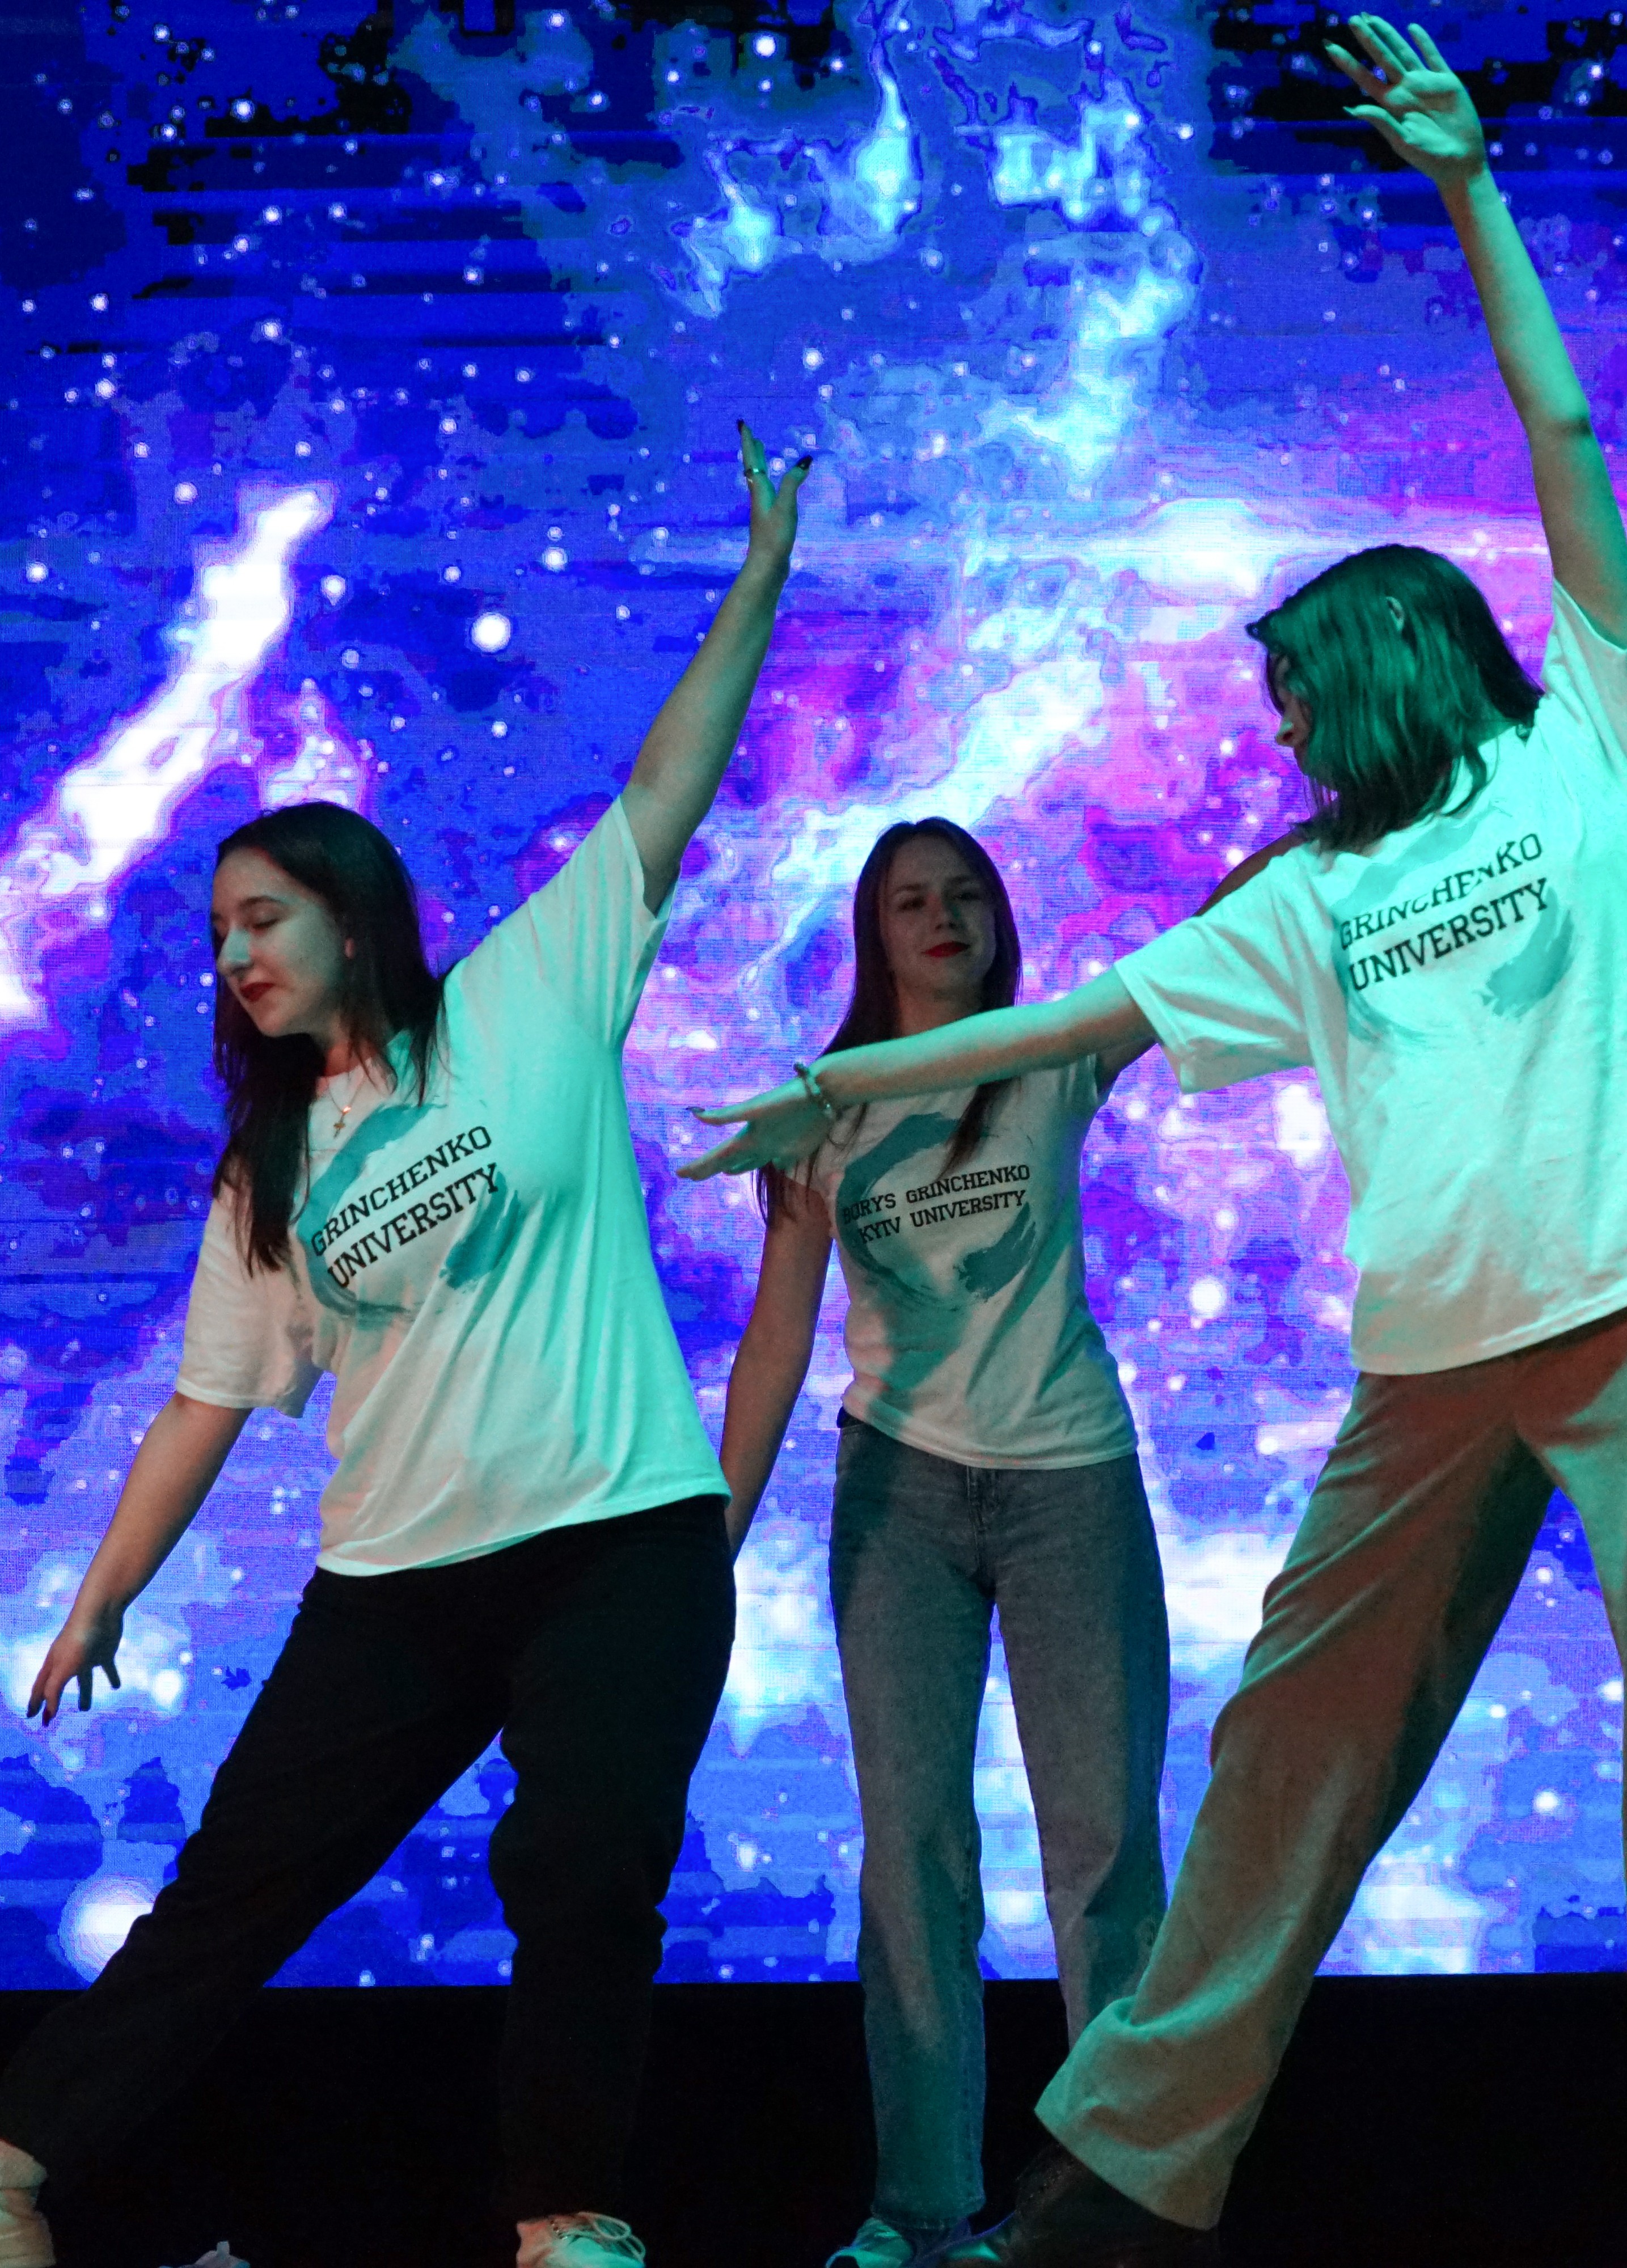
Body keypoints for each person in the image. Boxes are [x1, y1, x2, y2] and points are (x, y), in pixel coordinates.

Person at [683, 22, 1627, 2265]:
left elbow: (1565, 434)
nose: (1287, 729)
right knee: (1294, 1749)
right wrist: (848, 1084)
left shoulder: (1585, 739)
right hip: (1436, 1368)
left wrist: (1468, 182)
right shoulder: (1307, 894)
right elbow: (1084, 1014)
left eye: (1301, 688)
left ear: (1400, 655)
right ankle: (1128, 2174)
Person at [0, 429, 812, 2268]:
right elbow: (206, 1403)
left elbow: (670, 781)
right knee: (232, 1898)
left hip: (618, 1540)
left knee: (586, 1882)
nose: (237, 955)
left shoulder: (527, 994)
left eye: (263, 917)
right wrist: (103, 1592)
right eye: (217, 936)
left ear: (354, 914)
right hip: (398, 1580)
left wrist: (757, 576)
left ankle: (564, 2224)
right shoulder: (270, 1168)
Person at [716, 817, 1170, 2268]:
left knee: (1105, 1847)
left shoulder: (1053, 1052)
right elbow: (778, 1331)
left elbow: (1199, 955)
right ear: (874, 930)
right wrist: (709, 1539)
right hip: (899, 1492)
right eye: (912, 898)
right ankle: (923, 2211)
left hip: (1070, 1481)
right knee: (913, 1852)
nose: (943, 915)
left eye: (967, 892)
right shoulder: (827, 1107)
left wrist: (1335, 835)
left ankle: (1117, 2204)